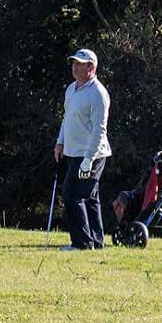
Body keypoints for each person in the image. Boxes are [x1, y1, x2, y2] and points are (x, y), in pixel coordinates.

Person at [54, 48, 111, 251]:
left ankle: (82, 243)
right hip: (73, 152)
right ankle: (95, 241)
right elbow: (67, 118)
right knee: (89, 197)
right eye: (74, 63)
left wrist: (89, 158)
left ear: (91, 68)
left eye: (80, 64)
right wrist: (60, 142)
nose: (75, 67)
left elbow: (99, 129)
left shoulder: (98, 93)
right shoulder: (71, 89)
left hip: (91, 154)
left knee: (72, 194)